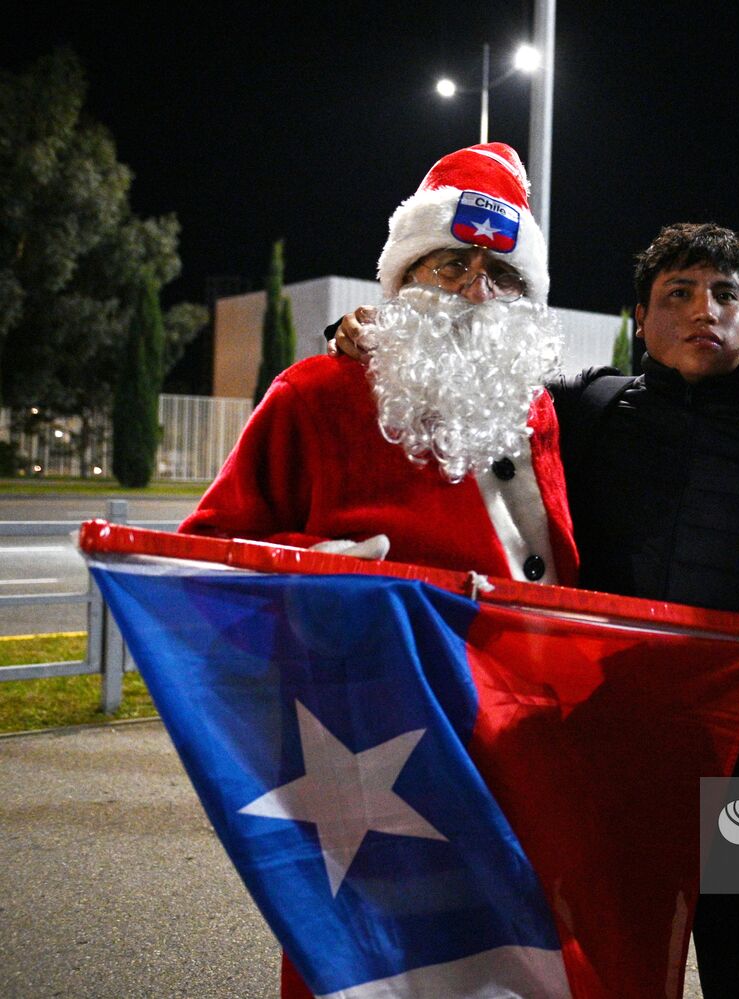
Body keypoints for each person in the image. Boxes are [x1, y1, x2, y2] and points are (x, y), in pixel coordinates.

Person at [334, 223, 739, 997]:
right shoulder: (587, 408)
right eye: (678, 294)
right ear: (641, 319)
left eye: (726, 294)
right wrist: (365, 337)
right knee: (607, 959)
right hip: (614, 752)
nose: (704, 311)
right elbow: (461, 386)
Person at [182, 142, 575, 999]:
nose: (479, 291)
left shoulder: (540, 407)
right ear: (404, 277)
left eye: (504, 275)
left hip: (515, 754)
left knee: (516, 958)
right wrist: (315, 582)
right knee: (376, 968)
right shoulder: (315, 395)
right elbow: (203, 561)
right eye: (453, 265)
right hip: (376, 755)